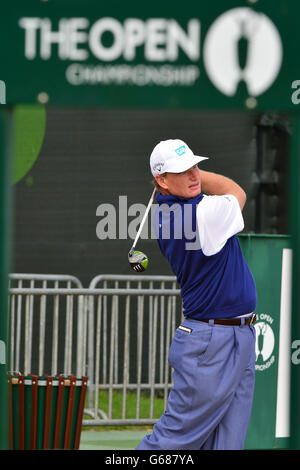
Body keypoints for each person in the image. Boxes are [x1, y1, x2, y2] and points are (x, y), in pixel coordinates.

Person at [136, 138, 257, 450]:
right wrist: (202, 179)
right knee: (171, 443)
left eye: (195, 167)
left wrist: (186, 174)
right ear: (161, 180)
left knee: (227, 444)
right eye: (183, 170)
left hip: (234, 336)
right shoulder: (199, 215)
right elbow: (237, 192)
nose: (193, 175)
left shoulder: (170, 211)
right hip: (211, 343)